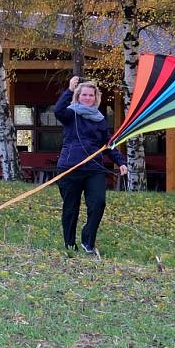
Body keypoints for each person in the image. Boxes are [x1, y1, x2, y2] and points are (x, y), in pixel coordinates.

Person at [54, 76, 127, 256]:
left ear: (96, 98)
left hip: (94, 169)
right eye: (84, 95)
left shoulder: (100, 119)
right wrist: (69, 89)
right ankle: (70, 244)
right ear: (78, 96)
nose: (87, 98)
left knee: (98, 203)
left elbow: (107, 143)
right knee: (71, 208)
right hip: (70, 168)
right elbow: (58, 111)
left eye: (91, 95)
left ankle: (88, 241)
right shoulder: (70, 114)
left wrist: (121, 161)